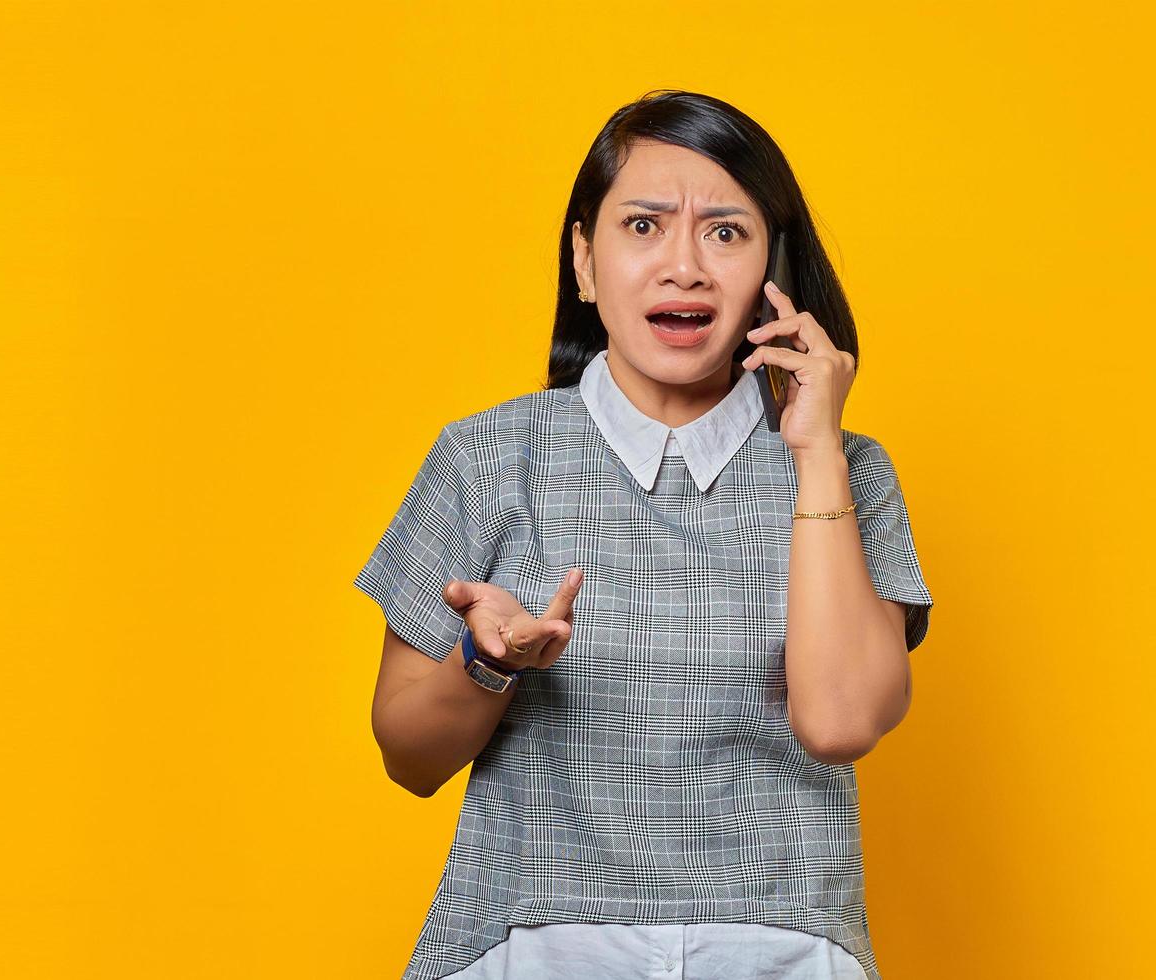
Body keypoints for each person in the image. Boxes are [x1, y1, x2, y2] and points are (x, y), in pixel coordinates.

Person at [354, 89, 935, 980]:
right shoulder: (487, 457)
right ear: (584, 260)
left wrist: (814, 448)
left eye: (727, 233)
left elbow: (842, 720)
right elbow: (408, 757)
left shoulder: (852, 469)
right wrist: (493, 665)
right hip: (538, 949)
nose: (685, 268)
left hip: (778, 952)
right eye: (643, 226)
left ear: (775, 269)